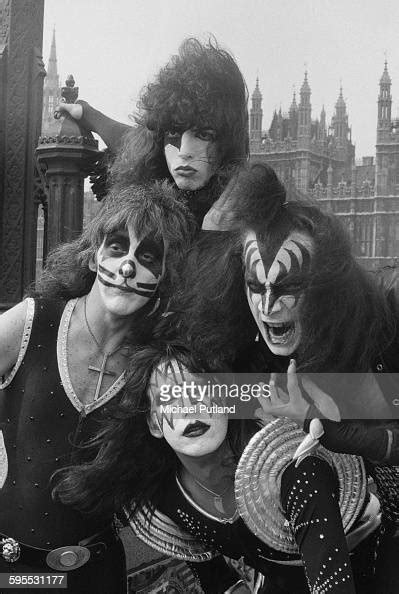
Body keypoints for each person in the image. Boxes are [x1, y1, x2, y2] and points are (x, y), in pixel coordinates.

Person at [181, 172, 399, 591]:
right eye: (254, 286)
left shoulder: (379, 323)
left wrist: (349, 435)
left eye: (289, 287)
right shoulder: (233, 357)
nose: (267, 306)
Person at [53, 341, 380, 594]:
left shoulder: (292, 469)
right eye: (170, 398)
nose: (190, 407)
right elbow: (211, 573)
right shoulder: (162, 496)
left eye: (201, 391)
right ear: (154, 424)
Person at [0, 181, 194, 593]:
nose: (127, 267)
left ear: (164, 275)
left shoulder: (158, 366)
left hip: (96, 574)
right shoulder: (33, 322)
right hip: (15, 575)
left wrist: (333, 395)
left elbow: (223, 417)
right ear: (92, 254)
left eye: (147, 256)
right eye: (117, 247)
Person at [55, 37, 249, 228]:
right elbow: (126, 138)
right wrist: (85, 112)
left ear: (227, 144)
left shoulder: (243, 211)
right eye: (173, 132)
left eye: (204, 135)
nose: (184, 152)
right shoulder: (152, 161)